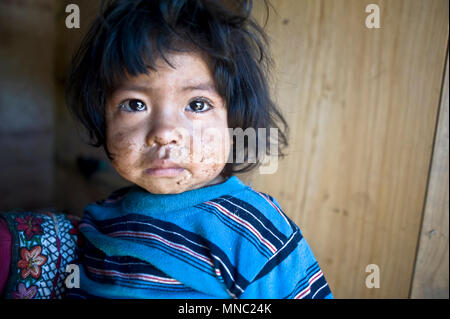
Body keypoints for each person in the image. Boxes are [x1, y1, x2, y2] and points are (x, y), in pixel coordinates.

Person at [1, 0, 333, 299]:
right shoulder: (102, 217)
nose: (163, 134)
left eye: (198, 104)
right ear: (103, 120)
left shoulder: (254, 231)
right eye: (134, 104)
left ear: (235, 121)